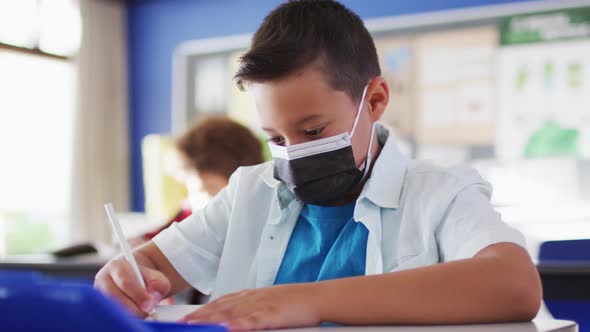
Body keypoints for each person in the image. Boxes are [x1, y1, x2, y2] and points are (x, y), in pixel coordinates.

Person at [95, 1, 542, 330]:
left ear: (377, 101)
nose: (292, 154)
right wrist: (128, 273)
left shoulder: (439, 192)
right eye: (274, 139)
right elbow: (154, 261)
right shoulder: (251, 191)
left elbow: (514, 284)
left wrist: (307, 301)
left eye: (312, 132)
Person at [137, 115, 265, 241]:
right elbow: (155, 239)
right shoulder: (189, 212)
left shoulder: (252, 219)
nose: (197, 193)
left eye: (210, 187)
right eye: (187, 183)